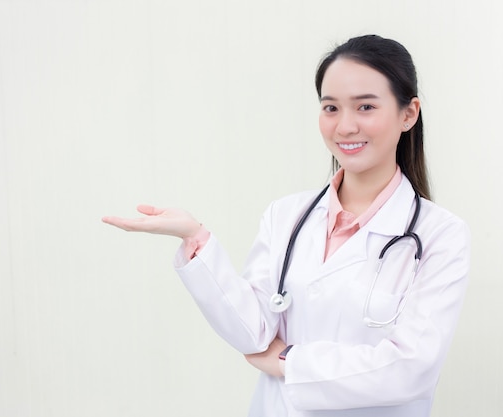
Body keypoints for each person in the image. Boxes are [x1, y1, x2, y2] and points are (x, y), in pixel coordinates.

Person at [102, 34, 470, 417]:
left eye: (365, 107)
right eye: (331, 108)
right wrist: (196, 238)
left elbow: (411, 371)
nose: (345, 126)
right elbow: (252, 332)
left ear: (408, 114)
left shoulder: (440, 235)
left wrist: (289, 362)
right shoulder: (286, 216)